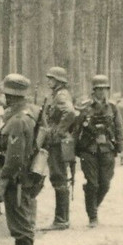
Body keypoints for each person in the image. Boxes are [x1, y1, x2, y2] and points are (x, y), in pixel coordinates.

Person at [0, 73, 40, 245]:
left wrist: (2, 184)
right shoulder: (28, 114)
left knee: (21, 223)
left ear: (11, 97)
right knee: (22, 220)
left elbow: (13, 158)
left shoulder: (18, 121)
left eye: (5, 95)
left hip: (17, 180)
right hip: (24, 178)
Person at [73, 73, 123, 227]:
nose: (102, 92)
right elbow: (76, 130)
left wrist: (122, 151)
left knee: (105, 184)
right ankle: (93, 216)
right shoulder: (85, 107)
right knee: (92, 184)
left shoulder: (113, 108)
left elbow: (119, 129)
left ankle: (93, 206)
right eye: (99, 89)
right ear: (94, 90)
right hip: (88, 150)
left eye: (104, 89)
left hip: (107, 149)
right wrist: (72, 151)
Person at [42, 65, 76, 230]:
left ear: (59, 81)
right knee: (59, 177)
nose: (49, 81)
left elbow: (70, 112)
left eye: (52, 79)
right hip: (55, 140)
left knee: (59, 177)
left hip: (57, 142)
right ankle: (62, 219)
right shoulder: (57, 94)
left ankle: (61, 220)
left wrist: (59, 131)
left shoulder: (61, 95)